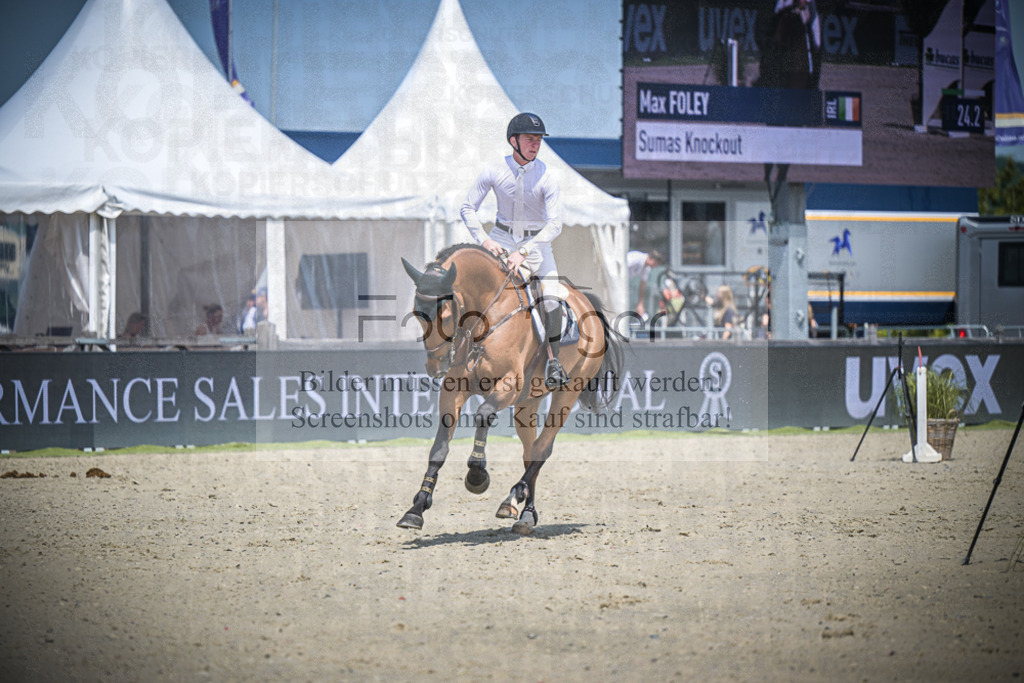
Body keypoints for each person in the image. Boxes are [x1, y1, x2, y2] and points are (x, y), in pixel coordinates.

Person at [460, 112, 569, 388]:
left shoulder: (548, 176)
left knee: (552, 296)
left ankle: (554, 361)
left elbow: (555, 224)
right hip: (500, 240)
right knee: (473, 289)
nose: (536, 144)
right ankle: (457, 351)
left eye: (538, 140)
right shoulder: (493, 170)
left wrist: (526, 250)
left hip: (537, 246)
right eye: (530, 139)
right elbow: (467, 208)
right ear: (513, 141)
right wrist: (485, 240)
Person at [627, 249, 665, 318]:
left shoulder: (646, 268)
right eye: (656, 265)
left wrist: (640, 304)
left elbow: (643, 285)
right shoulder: (636, 257)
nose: (655, 267)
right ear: (654, 261)